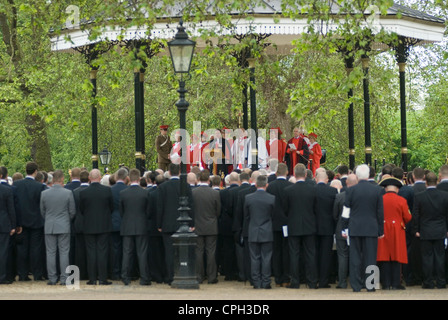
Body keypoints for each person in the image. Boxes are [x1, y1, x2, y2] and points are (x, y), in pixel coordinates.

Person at [341, 164, 384, 292]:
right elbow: (380, 212)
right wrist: (380, 230)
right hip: (371, 228)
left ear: (357, 175)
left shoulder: (350, 190)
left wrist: (344, 228)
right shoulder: (377, 190)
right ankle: (371, 285)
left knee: (355, 257)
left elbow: (345, 212)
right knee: (371, 257)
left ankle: (356, 285)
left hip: (355, 227)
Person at [156, 163, 194, 285]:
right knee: (183, 251)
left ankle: (170, 276)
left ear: (169, 172)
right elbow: (191, 205)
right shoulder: (186, 186)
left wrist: (159, 224)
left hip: (167, 224)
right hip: (182, 223)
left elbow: (159, 207)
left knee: (169, 252)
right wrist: (192, 223)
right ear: (179, 172)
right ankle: (182, 272)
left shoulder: (162, 187)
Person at [284, 163, 318, 289]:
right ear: (305, 174)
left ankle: (295, 281)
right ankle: (312, 281)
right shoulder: (313, 189)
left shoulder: (288, 190)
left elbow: (285, 209)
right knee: (310, 254)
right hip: (310, 225)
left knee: (294, 254)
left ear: (294, 174)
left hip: (293, 225)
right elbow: (316, 208)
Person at [40, 170, 76, 285]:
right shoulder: (68, 193)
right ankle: (64, 278)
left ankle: (52, 278)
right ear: (61, 179)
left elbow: (42, 211)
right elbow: (72, 211)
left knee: (50, 253)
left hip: (49, 225)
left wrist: (49, 220)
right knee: (64, 252)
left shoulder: (44, 194)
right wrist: (66, 220)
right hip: (64, 225)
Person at [413, 171, 448, 289]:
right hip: (440, 230)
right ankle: (441, 281)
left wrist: (416, 229)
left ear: (425, 182)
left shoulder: (419, 196)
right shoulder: (444, 196)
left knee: (426, 257)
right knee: (440, 257)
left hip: (425, 230)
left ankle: (428, 282)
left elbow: (416, 215)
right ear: (437, 182)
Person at [79, 169, 114, 285]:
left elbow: (82, 210)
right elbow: (111, 208)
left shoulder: (84, 192)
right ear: (100, 177)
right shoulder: (107, 191)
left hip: (89, 225)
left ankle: (92, 278)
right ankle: (103, 278)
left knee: (90, 253)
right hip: (104, 225)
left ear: (89, 178)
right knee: (102, 252)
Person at [376, 176, 412, 290]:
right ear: (397, 189)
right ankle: (396, 283)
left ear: (386, 188)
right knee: (397, 256)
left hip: (383, 228)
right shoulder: (402, 200)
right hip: (397, 229)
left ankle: (386, 283)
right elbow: (407, 217)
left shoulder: (380, 199)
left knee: (384, 256)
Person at [13, 161, 46, 281]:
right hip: (36, 221)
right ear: (36, 172)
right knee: (35, 249)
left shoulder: (17, 185)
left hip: (21, 222)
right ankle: (37, 274)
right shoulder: (40, 186)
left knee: (22, 249)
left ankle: (22, 274)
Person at [119, 168, 151, 286]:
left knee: (127, 253)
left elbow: (121, 211)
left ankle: (125, 277)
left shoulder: (123, 193)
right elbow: (148, 211)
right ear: (139, 179)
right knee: (142, 253)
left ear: (129, 179)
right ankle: (144, 278)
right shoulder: (145, 193)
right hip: (141, 225)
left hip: (127, 225)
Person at [244, 174, 275, 289]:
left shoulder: (248, 198)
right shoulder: (272, 198)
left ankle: (256, 282)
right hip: (267, 231)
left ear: (256, 184)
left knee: (254, 257)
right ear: (267, 185)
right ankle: (266, 281)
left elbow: (246, 215)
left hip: (253, 230)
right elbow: (273, 215)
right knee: (266, 257)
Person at [192, 169, 221, 284]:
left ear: (198, 179)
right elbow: (218, 211)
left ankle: (199, 276)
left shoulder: (193, 193)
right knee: (211, 252)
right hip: (211, 226)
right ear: (209, 180)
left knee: (198, 252)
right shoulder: (215, 193)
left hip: (197, 225)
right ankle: (211, 277)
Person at [266, 163, 292, 287]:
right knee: (286, 250)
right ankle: (286, 277)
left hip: (274, 222)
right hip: (287, 223)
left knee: (276, 251)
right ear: (286, 172)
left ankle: (277, 278)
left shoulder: (270, 186)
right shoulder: (290, 186)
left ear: (276, 173)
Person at [333, 173, 358, 289]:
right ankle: (355, 281)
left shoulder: (340, 196)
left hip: (341, 228)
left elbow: (335, 215)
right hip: (356, 228)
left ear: (346, 183)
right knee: (356, 255)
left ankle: (342, 282)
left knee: (342, 256)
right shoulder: (360, 196)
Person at [314, 170, 337, 288]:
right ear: (327, 180)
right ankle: (323, 280)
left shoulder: (312, 190)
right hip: (328, 227)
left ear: (316, 179)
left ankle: (314, 279)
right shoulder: (332, 191)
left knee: (314, 253)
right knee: (326, 255)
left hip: (313, 227)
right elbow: (335, 211)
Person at [218, 171, 240, 281]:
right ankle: (238, 271)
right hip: (239, 225)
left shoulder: (223, 193)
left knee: (227, 249)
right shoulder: (243, 191)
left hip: (226, 226)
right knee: (239, 249)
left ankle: (228, 273)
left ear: (229, 181)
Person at [110, 168, 129, 280]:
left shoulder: (110, 190)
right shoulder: (128, 189)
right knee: (126, 249)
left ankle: (115, 272)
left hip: (114, 222)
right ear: (126, 178)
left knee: (115, 249)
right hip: (125, 222)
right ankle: (125, 272)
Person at [72, 169, 90, 280]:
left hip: (78, 223)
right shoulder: (90, 190)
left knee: (79, 250)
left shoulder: (75, 192)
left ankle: (80, 273)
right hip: (90, 223)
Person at [0, 180, 16, 284]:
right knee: (3, 251)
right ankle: (2, 276)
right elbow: (11, 209)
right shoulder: (6, 190)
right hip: (4, 223)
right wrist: (13, 225)